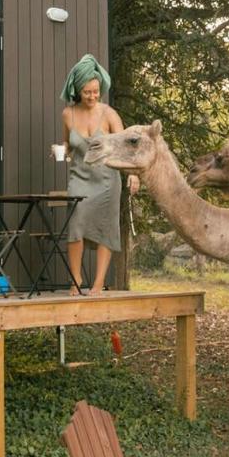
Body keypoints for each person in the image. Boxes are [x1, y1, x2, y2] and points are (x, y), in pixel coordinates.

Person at [59, 54, 139, 295]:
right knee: (75, 225)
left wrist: (134, 175)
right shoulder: (68, 114)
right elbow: (68, 145)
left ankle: (97, 285)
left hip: (106, 180)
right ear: (77, 90)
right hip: (80, 178)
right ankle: (75, 279)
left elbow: (127, 147)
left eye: (96, 91)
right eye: (87, 92)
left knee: (105, 228)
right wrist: (60, 151)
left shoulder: (108, 114)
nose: (93, 96)